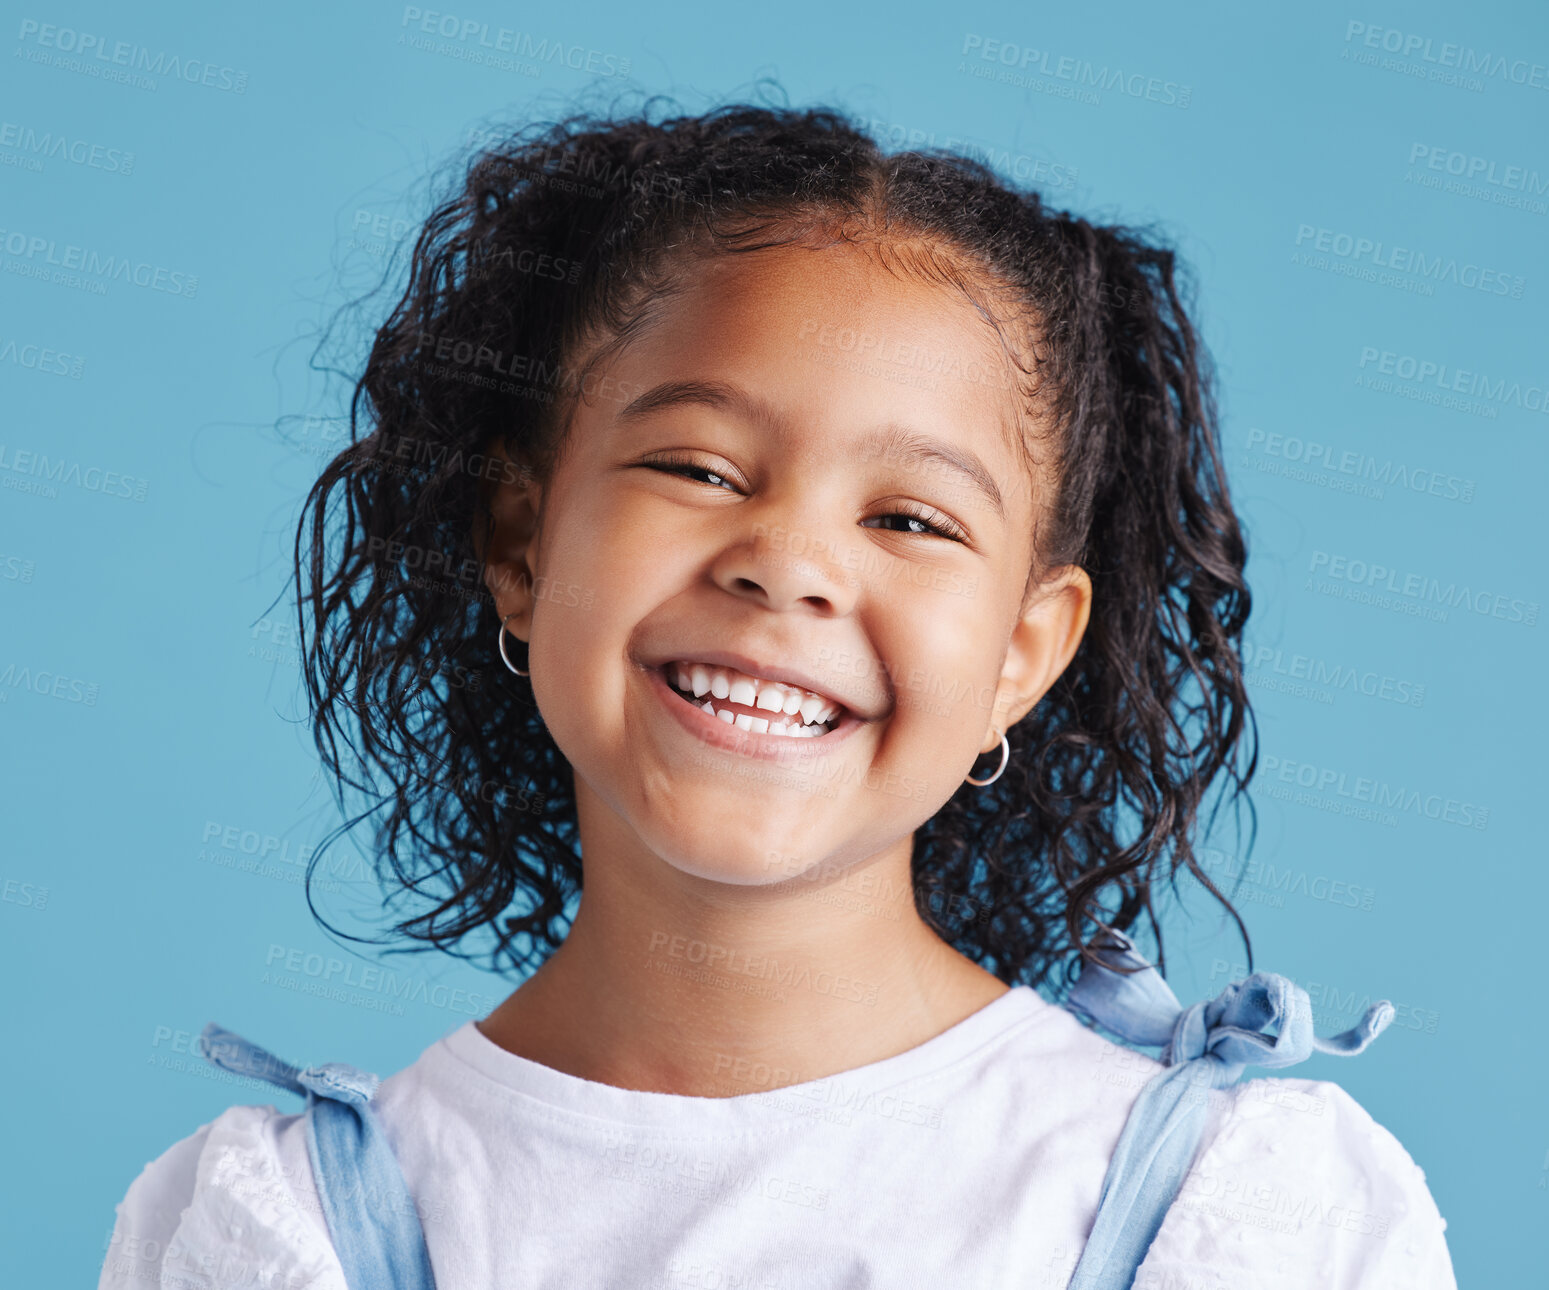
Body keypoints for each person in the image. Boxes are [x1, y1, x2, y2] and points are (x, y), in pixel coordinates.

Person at [99, 100, 1456, 1288]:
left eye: (912, 518)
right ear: (522, 545)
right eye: (698, 468)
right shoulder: (282, 1228)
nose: (786, 564)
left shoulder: (1241, 1213)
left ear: (1021, 655)